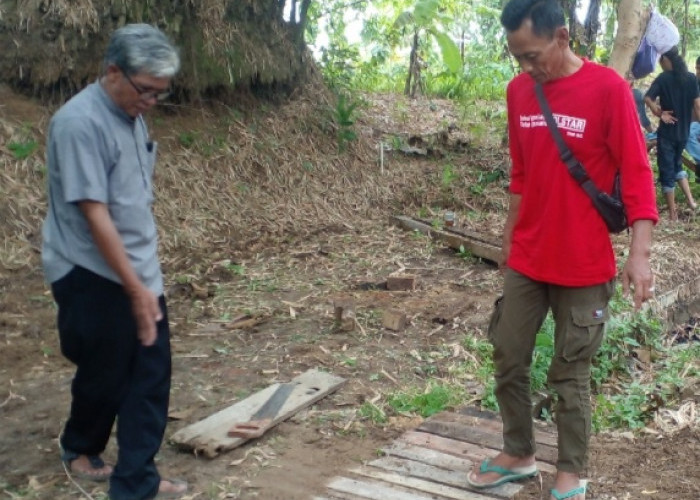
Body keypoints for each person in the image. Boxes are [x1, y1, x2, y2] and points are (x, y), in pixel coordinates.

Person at [465, 1, 658, 500]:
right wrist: (508, 238)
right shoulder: (519, 92)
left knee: (569, 373)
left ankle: (571, 470)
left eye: (532, 55)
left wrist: (639, 254)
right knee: (508, 355)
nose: (526, 68)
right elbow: (521, 174)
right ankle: (519, 452)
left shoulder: (608, 90)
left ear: (562, 37)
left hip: (584, 262)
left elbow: (637, 174)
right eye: (517, 58)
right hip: (529, 257)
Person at [41, 24, 188, 500]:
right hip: (90, 271)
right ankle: (82, 447)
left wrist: (145, 280)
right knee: (106, 372)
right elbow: (94, 212)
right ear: (112, 72)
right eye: (145, 90)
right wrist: (134, 288)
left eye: (159, 95)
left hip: (135, 269)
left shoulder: (132, 113)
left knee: (148, 374)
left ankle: (135, 481)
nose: (150, 102)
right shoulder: (79, 123)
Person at [644, 47, 700, 220]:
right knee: (676, 165)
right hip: (683, 132)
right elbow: (697, 106)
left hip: (667, 133)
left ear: (666, 60)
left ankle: (673, 214)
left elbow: (647, 98)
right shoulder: (691, 78)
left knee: (667, 170)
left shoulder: (663, 78)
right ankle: (691, 202)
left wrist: (660, 113)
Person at [683, 55, 700, 181]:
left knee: (687, 134)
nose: (698, 72)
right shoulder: (693, 82)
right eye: (698, 68)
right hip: (693, 122)